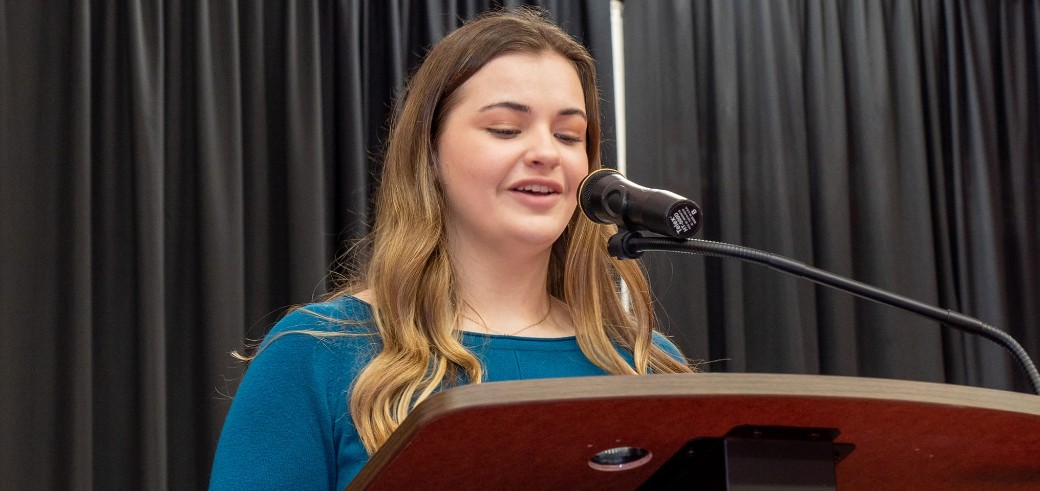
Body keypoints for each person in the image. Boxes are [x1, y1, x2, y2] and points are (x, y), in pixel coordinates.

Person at [209, 8, 693, 490]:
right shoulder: (315, 356)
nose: (547, 153)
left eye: (569, 136)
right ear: (430, 154)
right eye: (505, 129)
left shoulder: (647, 365)